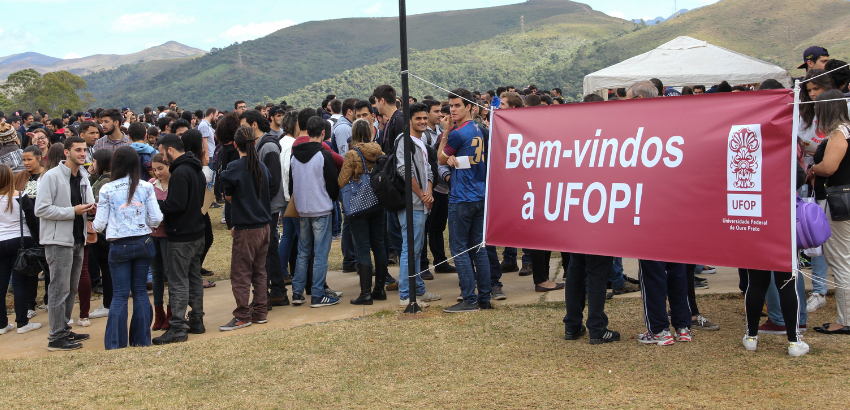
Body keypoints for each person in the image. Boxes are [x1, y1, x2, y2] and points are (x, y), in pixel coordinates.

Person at [93, 146, 161, 349]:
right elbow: (156, 218)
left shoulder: (107, 189)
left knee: (120, 294)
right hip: (144, 242)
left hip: (119, 245)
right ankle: (141, 340)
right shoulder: (147, 187)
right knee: (140, 291)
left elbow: (99, 225)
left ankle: (116, 343)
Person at [34, 136, 93, 351]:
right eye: (77, 149)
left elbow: (89, 203)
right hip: (58, 240)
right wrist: (72, 212)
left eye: (84, 150)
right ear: (66, 152)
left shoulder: (83, 176)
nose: (82, 153)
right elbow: (40, 209)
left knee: (70, 287)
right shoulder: (51, 177)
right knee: (58, 288)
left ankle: (64, 328)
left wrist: (91, 209)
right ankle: (55, 336)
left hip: (78, 239)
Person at [438, 88, 491, 313]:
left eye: (457, 105)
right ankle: (485, 298)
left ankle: (469, 298)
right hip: (480, 192)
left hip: (462, 196)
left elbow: (440, 158)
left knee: (459, 248)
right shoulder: (482, 130)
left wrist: (444, 134)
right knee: (478, 247)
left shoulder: (458, 133)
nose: (453, 109)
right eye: (451, 105)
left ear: (470, 107)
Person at [153, 134, 207, 345]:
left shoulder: (180, 172)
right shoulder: (196, 169)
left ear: (170, 150)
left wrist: (156, 204)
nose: (162, 157)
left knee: (178, 281)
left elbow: (175, 205)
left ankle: (177, 327)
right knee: (193, 278)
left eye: (162, 151)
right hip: (197, 233)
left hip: (181, 235)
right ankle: (196, 319)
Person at [220, 126, 272, 330]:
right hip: (264, 226)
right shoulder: (262, 167)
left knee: (241, 273)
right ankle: (260, 311)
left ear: (235, 144)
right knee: (259, 271)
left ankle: (242, 315)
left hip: (246, 228)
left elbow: (229, 196)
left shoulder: (234, 168)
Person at [810, 89, 850, 336]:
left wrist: (814, 168)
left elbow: (830, 166)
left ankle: (845, 319)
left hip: (838, 204)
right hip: (843, 202)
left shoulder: (838, 133)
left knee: (840, 261)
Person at [289, 116, 340, 308]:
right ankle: (318, 294)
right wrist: (331, 199)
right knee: (320, 253)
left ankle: (297, 292)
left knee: (303, 251)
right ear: (323, 133)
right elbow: (332, 185)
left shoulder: (294, 156)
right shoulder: (323, 155)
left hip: (302, 209)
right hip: (321, 208)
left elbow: (291, 184)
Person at [338, 119, 390, 304]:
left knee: (362, 247)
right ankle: (380, 289)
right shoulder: (379, 151)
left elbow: (342, 180)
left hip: (358, 207)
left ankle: (365, 293)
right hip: (377, 203)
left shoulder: (352, 154)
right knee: (379, 245)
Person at [394, 103, 440, 307]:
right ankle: (406, 295)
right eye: (417, 119)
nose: (422, 122)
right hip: (411, 203)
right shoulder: (404, 141)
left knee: (417, 248)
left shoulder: (420, 141)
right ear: (409, 120)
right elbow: (404, 171)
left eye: (424, 118)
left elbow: (429, 169)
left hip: (421, 202)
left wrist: (428, 191)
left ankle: (418, 290)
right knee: (410, 249)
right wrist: (422, 194)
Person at [240, 110, 287, 306]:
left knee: (264, 250)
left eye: (243, 126)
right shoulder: (261, 144)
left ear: (253, 125)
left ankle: (265, 294)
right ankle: (277, 291)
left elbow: (273, 181)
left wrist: (262, 203)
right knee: (271, 247)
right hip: (266, 205)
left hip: (268, 206)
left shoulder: (267, 146)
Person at [0, 164, 42, 335]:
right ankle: (22, 322)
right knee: (20, 283)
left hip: (1, 242)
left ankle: (2, 324)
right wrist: (39, 242)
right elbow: (32, 222)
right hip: (21, 241)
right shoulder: (20, 196)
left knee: (1, 284)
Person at [180, 129, 216, 284]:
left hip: (200, 205)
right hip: (196, 206)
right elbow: (207, 177)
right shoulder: (193, 161)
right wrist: (204, 159)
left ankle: (196, 269)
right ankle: (193, 272)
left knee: (206, 238)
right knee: (204, 238)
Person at [88, 149, 114, 321]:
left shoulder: (105, 183)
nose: (91, 166)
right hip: (107, 231)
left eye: (94, 162)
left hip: (103, 231)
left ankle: (108, 303)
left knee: (106, 267)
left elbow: (92, 199)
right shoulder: (104, 179)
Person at [149, 154, 172, 331]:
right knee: (156, 274)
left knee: (169, 273)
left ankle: (171, 313)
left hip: (168, 235)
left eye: (160, 168)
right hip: (153, 234)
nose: (157, 173)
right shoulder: (150, 185)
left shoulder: (175, 183)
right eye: (155, 169)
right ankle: (159, 313)